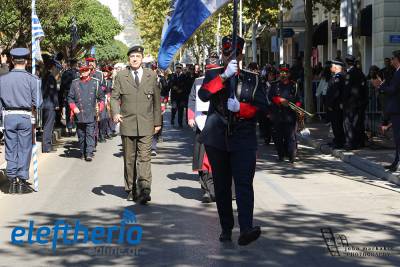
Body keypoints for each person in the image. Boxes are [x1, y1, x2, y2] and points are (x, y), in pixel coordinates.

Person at [198, 35, 268, 246]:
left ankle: (246, 228)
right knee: (221, 186)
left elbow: (264, 109)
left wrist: (243, 109)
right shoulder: (214, 73)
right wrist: (224, 77)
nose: (227, 56)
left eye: (232, 52)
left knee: (244, 184)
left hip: (243, 137)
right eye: (224, 52)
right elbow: (203, 95)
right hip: (217, 137)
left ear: (240, 53)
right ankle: (226, 227)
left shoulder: (253, 78)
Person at [110, 45, 162, 204]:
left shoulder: (151, 75)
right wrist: (115, 112)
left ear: (142, 58)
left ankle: (145, 189)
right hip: (128, 123)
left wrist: (157, 122)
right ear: (128, 59)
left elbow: (156, 100)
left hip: (147, 124)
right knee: (129, 159)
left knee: (145, 158)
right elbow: (114, 97)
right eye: (132, 56)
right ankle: (131, 189)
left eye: (138, 56)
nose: (134, 59)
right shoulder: (121, 76)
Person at [0, 48, 42, 194]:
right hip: (25, 117)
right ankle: (22, 181)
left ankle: (12, 180)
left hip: (9, 117)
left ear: (12, 61)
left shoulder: (2, 79)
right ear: (27, 61)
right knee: (25, 148)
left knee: (11, 148)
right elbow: (38, 102)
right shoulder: (33, 79)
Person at [188, 54, 217, 203]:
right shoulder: (198, 81)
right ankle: (206, 189)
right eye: (208, 69)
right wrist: (191, 117)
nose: (211, 71)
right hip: (201, 121)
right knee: (202, 158)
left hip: (219, 124)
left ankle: (220, 190)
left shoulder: (224, 80)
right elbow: (192, 99)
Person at [67, 65, 104, 162]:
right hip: (79, 113)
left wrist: (99, 107)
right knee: (81, 134)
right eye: (82, 71)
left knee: (90, 134)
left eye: (85, 70)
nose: (83, 72)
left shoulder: (95, 82)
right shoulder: (75, 83)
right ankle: (82, 151)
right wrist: (73, 107)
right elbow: (70, 98)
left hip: (91, 113)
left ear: (89, 71)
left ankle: (89, 153)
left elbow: (101, 98)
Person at [372, 50, 400, 172]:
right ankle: (396, 161)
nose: (391, 60)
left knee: (398, 138)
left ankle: (397, 162)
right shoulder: (397, 72)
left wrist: (382, 85)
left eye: (393, 58)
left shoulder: (399, 73)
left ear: (397, 59)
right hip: (396, 109)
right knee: (397, 138)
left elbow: (393, 90)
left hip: (398, 110)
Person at [269, 67, 301, 163]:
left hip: (290, 115)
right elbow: (270, 96)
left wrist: (298, 108)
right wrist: (279, 100)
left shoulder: (294, 85)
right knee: (278, 136)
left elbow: (298, 99)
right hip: (278, 114)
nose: (283, 74)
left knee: (291, 137)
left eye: (285, 73)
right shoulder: (275, 85)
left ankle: (291, 155)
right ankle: (281, 155)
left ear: (289, 74)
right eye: (281, 72)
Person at [343, 55, 368, 150]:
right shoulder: (360, 72)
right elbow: (364, 88)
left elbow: (347, 90)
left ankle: (350, 143)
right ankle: (360, 142)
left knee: (349, 123)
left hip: (351, 103)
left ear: (347, 63)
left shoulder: (350, 74)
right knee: (359, 122)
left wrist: (344, 101)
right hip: (360, 102)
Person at [326, 60, 346, 149]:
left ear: (337, 67)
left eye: (332, 66)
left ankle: (339, 142)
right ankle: (336, 140)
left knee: (337, 124)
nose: (331, 67)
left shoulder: (339, 77)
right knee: (335, 124)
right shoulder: (335, 76)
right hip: (334, 105)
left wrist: (330, 104)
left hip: (336, 105)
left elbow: (336, 93)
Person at [41, 58, 60, 153]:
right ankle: (47, 147)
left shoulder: (44, 76)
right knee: (49, 126)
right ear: (52, 67)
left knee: (47, 125)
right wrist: (56, 104)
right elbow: (53, 93)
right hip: (49, 104)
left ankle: (48, 145)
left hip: (44, 104)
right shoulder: (50, 77)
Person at [60, 59, 79, 136]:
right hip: (77, 95)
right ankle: (75, 128)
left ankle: (70, 128)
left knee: (69, 111)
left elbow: (62, 85)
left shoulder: (65, 73)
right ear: (75, 64)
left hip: (68, 94)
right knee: (76, 111)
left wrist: (61, 95)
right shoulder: (78, 73)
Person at [168, 63, 188, 127]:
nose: (178, 69)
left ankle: (180, 123)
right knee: (174, 108)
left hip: (181, 96)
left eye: (179, 68)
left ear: (181, 69)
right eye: (177, 68)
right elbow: (170, 83)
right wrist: (173, 87)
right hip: (174, 95)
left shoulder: (184, 76)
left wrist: (182, 89)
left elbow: (186, 84)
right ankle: (172, 119)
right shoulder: (172, 75)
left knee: (181, 110)